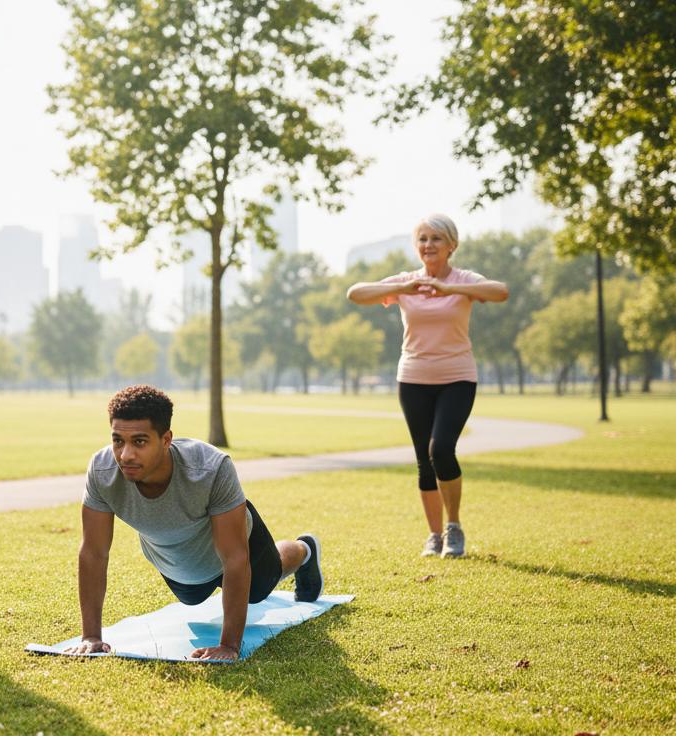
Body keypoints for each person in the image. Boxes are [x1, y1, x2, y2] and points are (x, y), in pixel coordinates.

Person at [63, 385, 324, 662]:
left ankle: (303, 550)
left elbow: (235, 557)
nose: (126, 454)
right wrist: (91, 636)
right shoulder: (103, 472)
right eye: (118, 441)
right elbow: (93, 552)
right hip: (179, 558)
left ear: (166, 440)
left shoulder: (210, 468)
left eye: (139, 442)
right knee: (191, 598)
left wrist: (229, 646)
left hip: (233, 536)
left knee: (258, 590)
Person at [346, 213, 508, 558]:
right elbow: (355, 293)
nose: (428, 245)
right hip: (413, 379)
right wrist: (400, 288)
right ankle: (434, 536)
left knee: (442, 450)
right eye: (422, 239)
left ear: (452, 245)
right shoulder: (406, 283)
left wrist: (452, 289)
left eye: (436, 239)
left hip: (457, 377)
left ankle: (454, 527)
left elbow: (500, 291)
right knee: (424, 460)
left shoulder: (465, 280)